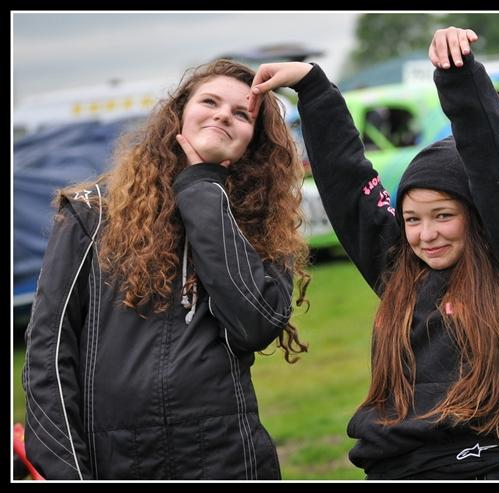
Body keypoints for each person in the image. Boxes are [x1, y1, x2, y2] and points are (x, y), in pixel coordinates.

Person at [247, 27, 499, 480]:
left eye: (443, 215)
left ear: (477, 216)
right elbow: (350, 188)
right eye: (412, 219)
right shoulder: (403, 272)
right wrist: (314, 89)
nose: (425, 235)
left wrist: (460, 79)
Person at [23, 59, 310, 479]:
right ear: (179, 113)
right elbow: (48, 351)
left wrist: (202, 188)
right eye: (209, 101)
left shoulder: (262, 225)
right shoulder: (93, 213)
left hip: (223, 456)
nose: (222, 116)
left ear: (254, 140)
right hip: (113, 458)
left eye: (241, 114)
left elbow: (255, 323)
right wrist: (67, 470)